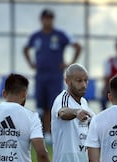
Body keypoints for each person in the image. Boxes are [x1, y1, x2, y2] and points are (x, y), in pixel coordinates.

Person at [23, 8, 82, 145]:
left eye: (50, 18)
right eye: (45, 18)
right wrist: (31, 63)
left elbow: (77, 46)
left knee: (53, 105)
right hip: (40, 75)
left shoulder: (60, 34)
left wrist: (69, 64)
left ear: (52, 20)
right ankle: (40, 133)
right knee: (40, 106)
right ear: (41, 19)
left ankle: (50, 134)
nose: (47, 21)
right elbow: (26, 48)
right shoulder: (36, 36)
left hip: (55, 75)